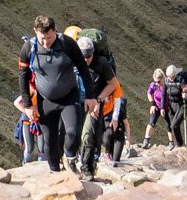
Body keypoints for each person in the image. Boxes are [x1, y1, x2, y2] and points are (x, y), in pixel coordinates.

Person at [16, 15, 92, 172]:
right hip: (45, 101)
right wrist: (28, 105)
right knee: (49, 140)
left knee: (72, 132)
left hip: (69, 96)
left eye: (49, 37)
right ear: (35, 32)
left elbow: (84, 69)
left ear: (55, 30)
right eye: (42, 38)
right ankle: (54, 171)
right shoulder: (29, 48)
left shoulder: (67, 43)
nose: (45, 42)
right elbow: (23, 77)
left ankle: (70, 158)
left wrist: (90, 96)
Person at [73, 33, 121, 178]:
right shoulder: (72, 61)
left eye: (89, 56)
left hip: (94, 104)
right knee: (73, 133)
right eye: (83, 57)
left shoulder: (101, 63)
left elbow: (113, 84)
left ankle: (86, 168)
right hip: (75, 102)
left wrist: (99, 100)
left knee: (89, 136)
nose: (86, 60)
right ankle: (69, 162)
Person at [166, 65, 187, 148]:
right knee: (173, 125)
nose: (171, 78)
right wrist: (163, 107)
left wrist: (185, 94)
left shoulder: (181, 79)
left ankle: (179, 144)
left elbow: (186, 90)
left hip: (182, 104)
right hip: (172, 104)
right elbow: (163, 93)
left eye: (172, 76)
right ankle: (179, 143)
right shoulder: (167, 80)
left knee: (174, 125)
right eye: (169, 76)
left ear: (175, 74)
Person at [141, 69, 167, 147]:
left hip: (166, 106)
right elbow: (149, 93)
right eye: (155, 81)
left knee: (170, 124)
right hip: (156, 105)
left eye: (159, 81)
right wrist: (152, 104)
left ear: (163, 78)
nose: (157, 83)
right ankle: (146, 140)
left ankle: (172, 142)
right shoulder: (154, 85)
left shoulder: (167, 84)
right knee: (151, 122)